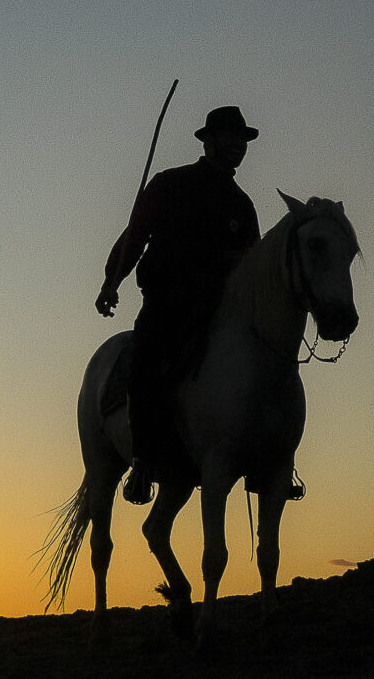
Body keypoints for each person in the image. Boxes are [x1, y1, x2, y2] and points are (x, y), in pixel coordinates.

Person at [96, 105, 261, 504]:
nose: (238, 146)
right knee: (148, 363)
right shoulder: (169, 184)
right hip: (169, 300)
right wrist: (111, 280)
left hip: (220, 308)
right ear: (209, 142)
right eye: (230, 138)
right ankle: (143, 460)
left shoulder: (243, 204)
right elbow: (135, 236)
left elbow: (254, 267)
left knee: (266, 362)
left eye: (242, 140)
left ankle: (269, 459)